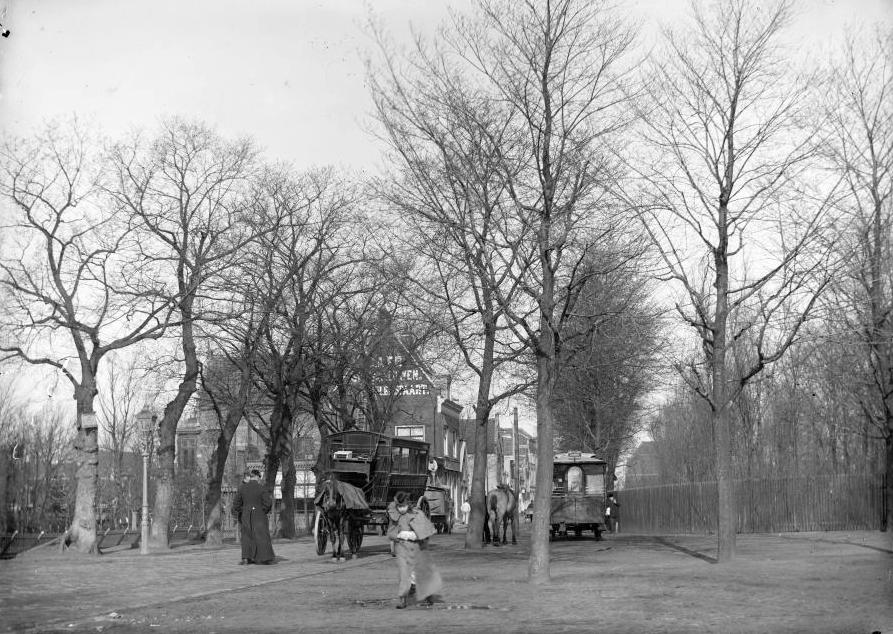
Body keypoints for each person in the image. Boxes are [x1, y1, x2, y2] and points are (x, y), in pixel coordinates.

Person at [387, 491, 442, 609]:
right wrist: (400, 535)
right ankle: (402, 599)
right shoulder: (394, 515)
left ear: (408, 504)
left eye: (404, 506)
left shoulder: (417, 514)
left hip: (417, 547)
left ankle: (428, 595)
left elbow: (425, 531)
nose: (402, 509)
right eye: (399, 507)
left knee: (421, 572)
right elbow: (391, 532)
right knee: (403, 574)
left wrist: (413, 535)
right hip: (402, 548)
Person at [232, 468, 275, 565]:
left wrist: (243, 512)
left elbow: (236, 504)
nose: (260, 479)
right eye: (259, 477)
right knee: (262, 535)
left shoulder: (242, 488)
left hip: (246, 515)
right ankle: (265, 558)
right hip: (259, 514)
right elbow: (268, 503)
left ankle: (246, 558)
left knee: (246, 536)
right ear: (257, 477)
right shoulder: (261, 488)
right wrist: (263, 510)